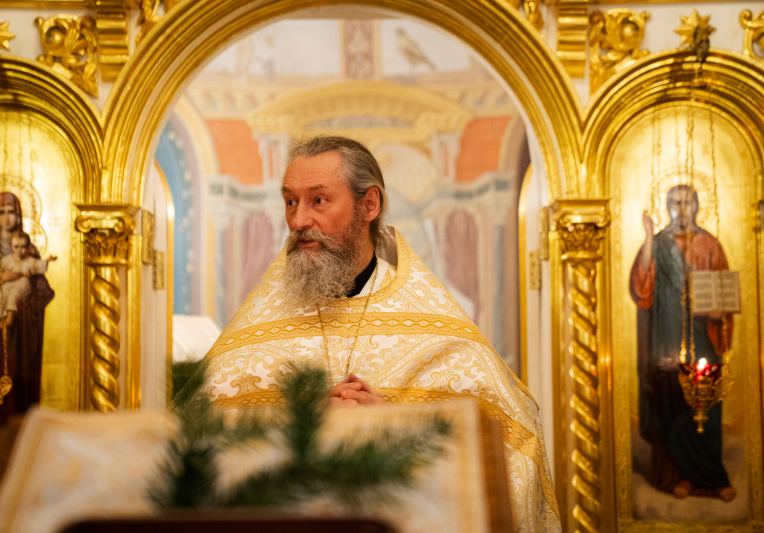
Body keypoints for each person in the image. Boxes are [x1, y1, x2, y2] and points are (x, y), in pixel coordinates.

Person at [198, 136, 560, 532]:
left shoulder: (439, 330)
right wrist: (299, 424)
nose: (299, 220)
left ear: (369, 204)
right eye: (290, 202)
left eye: (318, 200)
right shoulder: (256, 327)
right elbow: (195, 447)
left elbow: (514, 449)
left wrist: (395, 427)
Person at [630, 184, 735, 501]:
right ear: (667, 207)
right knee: (671, 400)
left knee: (705, 400)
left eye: (688, 202)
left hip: (702, 336)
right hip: (667, 335)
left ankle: (712, 478)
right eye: (675, 202)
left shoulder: (710, 244)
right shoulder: (659, 243)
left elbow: (724, 288)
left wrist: (719, 311)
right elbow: (642, 289)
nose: (682, 208)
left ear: (697, 205)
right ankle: (679, 477)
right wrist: (648, 237)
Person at [0, 192, 55, 499]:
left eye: (12, 212)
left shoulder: (29, 250)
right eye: (1, 212)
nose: (7, 218)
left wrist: (22, 302)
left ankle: (21, 477)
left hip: (18, 343)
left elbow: (41, 293)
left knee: (14, 401)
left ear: (19, 215)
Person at [0, 230, 57, 329]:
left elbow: (38, 265)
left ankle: (10, 316)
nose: (20, 250)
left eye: (23, 247)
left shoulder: (29, 261)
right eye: (16, 247)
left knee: (13, 296)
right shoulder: (8, 259)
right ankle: (3, 317)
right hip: (9, 283)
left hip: (23, 283)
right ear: (11, 246)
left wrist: (47, 260)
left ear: (27, 247)